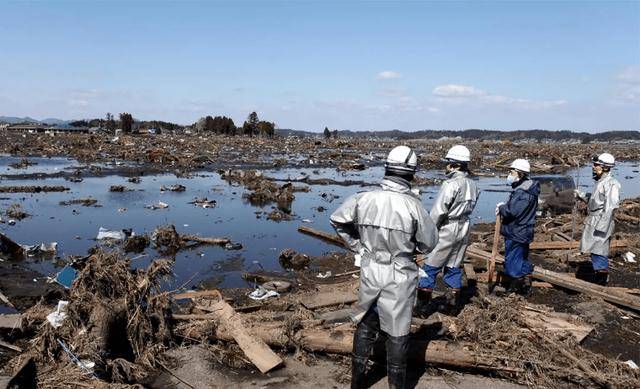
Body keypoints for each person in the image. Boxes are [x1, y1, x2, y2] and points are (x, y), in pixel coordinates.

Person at [330, 145, 438, 389]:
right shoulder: (414, 207)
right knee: (398, 332)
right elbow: (428, 243)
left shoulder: (364, 198)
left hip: (370, 269)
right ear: (411, 173)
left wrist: (359, 247)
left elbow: (337, 220)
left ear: (387, 168)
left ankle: (357, 383)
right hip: (400, 272)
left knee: (367, 320)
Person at [417, 145, 479, 315]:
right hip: (464, 227)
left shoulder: (450, 184)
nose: (445, 166)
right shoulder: (473, 184)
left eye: (448, 163)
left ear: (454, 165)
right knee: (454, 266)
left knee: (429, 267)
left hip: (448, 228)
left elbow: (438, 211)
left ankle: (421, 309)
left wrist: (427, 232)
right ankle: (451, 307)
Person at [575, 153, 620, 285]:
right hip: (594, 219)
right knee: (594, 250)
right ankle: (598, 275)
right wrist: (582, 195)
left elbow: (610, 206)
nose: (594, 167)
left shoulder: (612, 184)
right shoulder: (600, 182)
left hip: (601, 220)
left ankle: (601, 281)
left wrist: (602, 226)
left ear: (605, 167)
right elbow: (595, 201)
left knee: (600, 249)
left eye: (597, 165)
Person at [496, 159, 540, 295]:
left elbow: (512, 211)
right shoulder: (529, 189)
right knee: (521, 258)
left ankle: (515, 291)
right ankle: (525, 284)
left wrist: (502, 207)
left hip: (517, 231)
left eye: (511, 172)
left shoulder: (523, 192)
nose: (509, 174)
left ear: (520, 174)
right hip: (524, 229)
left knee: (512, 261)